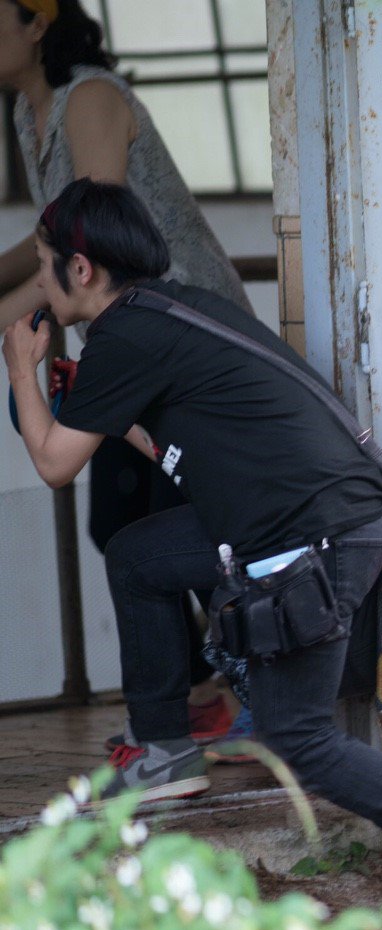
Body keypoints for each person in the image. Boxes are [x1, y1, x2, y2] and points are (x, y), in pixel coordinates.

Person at [2, 179, 382, 927]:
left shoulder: (126, 334)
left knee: (295, 733)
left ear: (81, 271)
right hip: (311, 521)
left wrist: (19, 363)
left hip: (310, 539)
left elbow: (53, 463)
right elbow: (159, 439)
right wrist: (98, 405)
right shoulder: (169, 311)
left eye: (47, 266)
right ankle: (165, 749)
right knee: (139, 555)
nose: (42, 284)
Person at [0, 0, 254, 753]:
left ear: (35, 20)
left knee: (197, 529)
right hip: (124, 348)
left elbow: (86, 234)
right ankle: (193, 703)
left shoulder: (93, 97)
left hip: (180, 342)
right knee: (120, 523)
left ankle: (251, 690)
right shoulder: (27, 112)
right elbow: (50, 242)